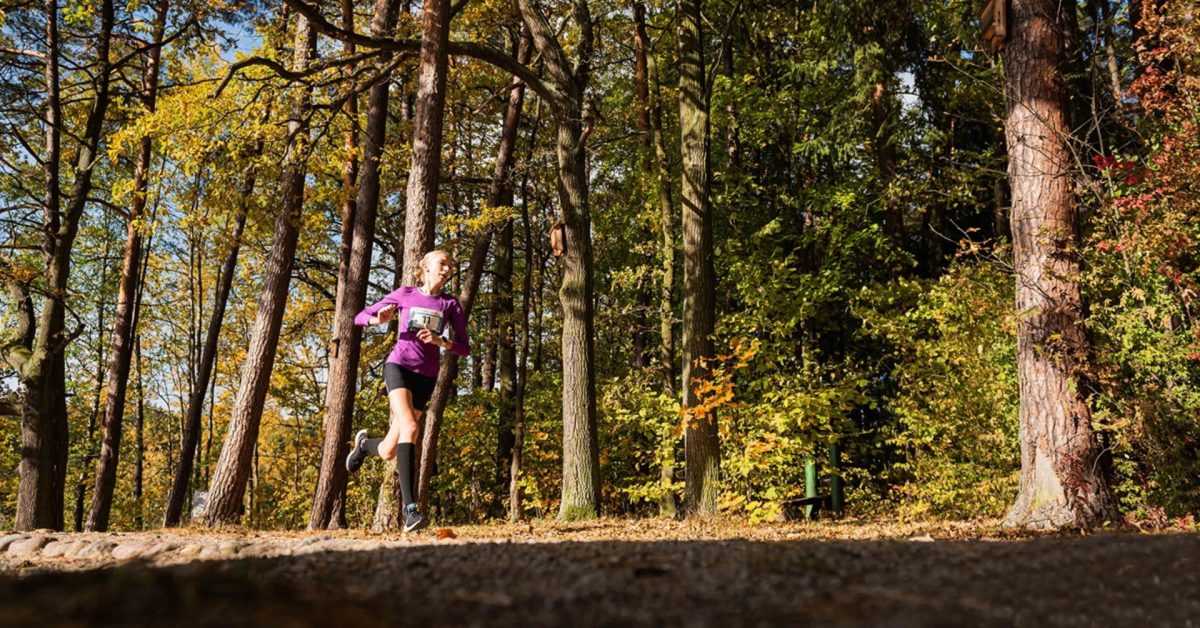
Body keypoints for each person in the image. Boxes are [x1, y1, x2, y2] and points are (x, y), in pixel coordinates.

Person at [345, 250, 470, 532]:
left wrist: (443, 342)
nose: (448, 268)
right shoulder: (405, 294)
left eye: (451, 265)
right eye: (443, 263)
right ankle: (410, 509)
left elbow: (465, 347)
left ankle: (364, 445)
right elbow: (359, 317)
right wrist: (379, 320)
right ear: (425, 267)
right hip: (398, 367)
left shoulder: (450, 304)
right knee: (411, 427)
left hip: (426, 377)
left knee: (389, 450)